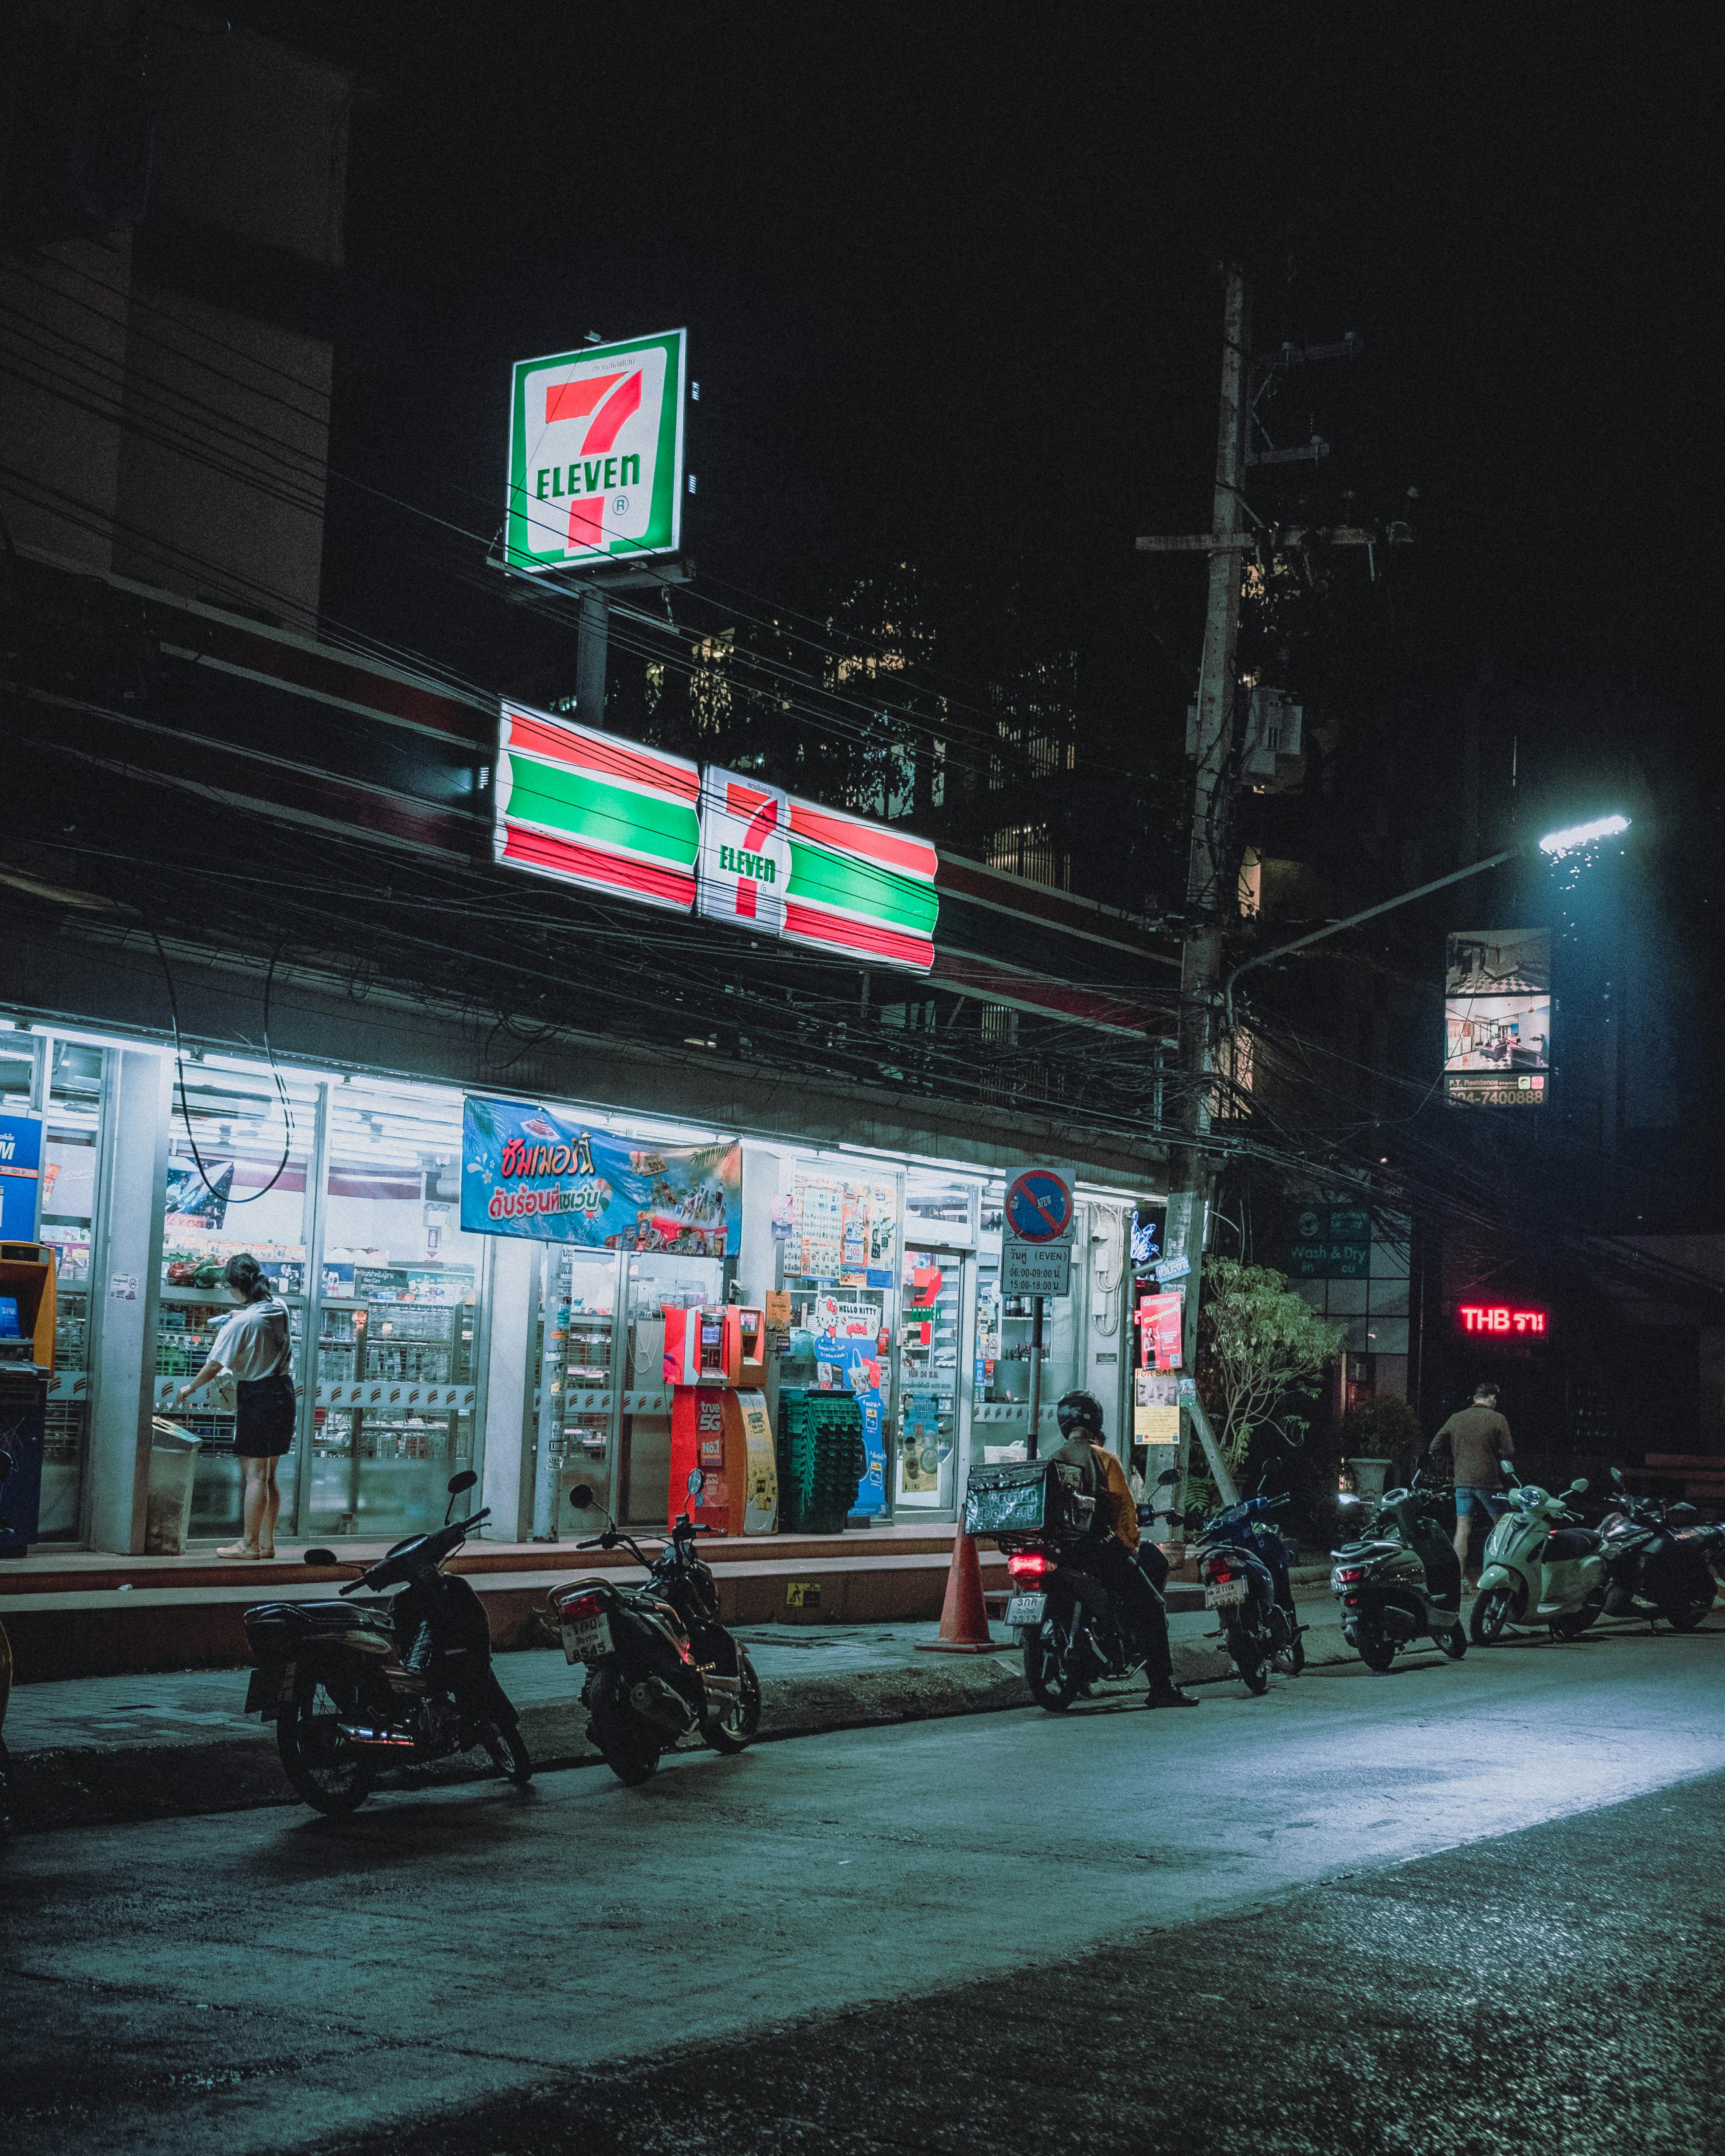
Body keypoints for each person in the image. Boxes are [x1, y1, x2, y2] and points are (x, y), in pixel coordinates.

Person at [1050, 1389, 1196, 1708]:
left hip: (1061, 1553)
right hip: (1101, 1553)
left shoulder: (1053, 1459)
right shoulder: (1105, 1459)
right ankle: (1162, 1686)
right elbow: (1125, 1513)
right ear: (1096, 1423)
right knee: (1152, 1606)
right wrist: (1130, 1546)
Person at [174, 1253, 296, 1561]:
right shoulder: (278, 1307)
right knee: (269, 1475)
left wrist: (191, 1387)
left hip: (257, 1397)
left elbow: (215, 1364)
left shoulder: (242, 1323)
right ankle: (267, 1544)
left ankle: (248, 1545)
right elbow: (258, 1323)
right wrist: (237, 1316)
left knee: (254, 1475)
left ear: (236, 1287)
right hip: (283, 1393)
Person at [1426, 1382, 1515, 1589]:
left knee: (1463, 1529)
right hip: (1489, 1482)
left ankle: (1458, 1581)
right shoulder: (1498, 1419)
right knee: (1502, 1527)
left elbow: (1435, 1447)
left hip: (1462, 1482)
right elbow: (1509, 1451)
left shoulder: (1456, 1418)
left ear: (1476, 1398)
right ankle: (1499, 1577)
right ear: (1492, 1399)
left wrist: (1458, 1457)